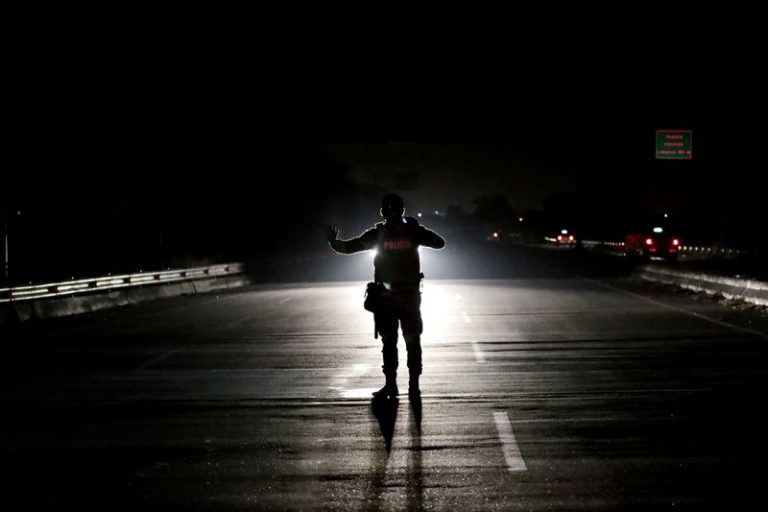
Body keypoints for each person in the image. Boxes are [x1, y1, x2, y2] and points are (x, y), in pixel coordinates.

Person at [327, 193, 445, 399]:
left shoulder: (378, 234)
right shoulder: (412, 231)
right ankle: (413, 386)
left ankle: (391, 385)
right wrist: (416, 229)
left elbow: (348, 248)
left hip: (386, 299)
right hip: (409, 296)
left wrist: (332, 241)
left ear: (382, 212)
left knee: (389, 342)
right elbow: (439, 243)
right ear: (402, 211)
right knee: (412, 341)